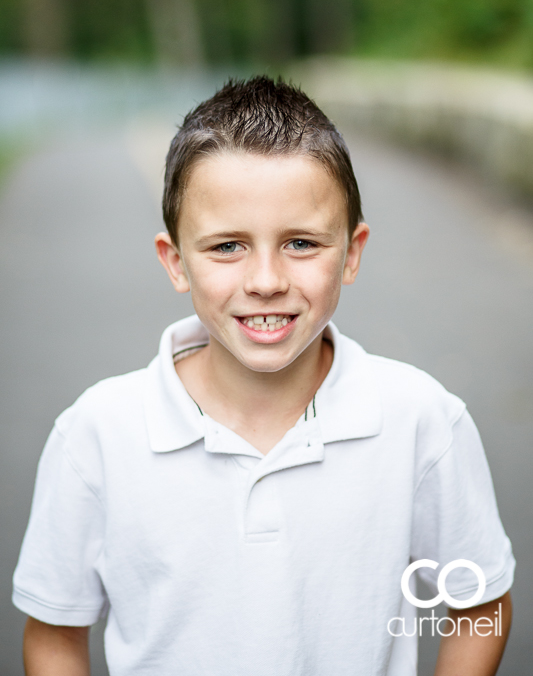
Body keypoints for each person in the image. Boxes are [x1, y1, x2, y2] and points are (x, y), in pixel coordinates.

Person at [13, 77, 514, 676]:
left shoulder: (421, 420)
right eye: (227, 246)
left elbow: (480, 603)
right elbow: (53, 633)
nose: (267, 280)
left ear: (351, 253)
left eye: (301, 242)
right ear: (176, 262)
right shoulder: (96, 433)